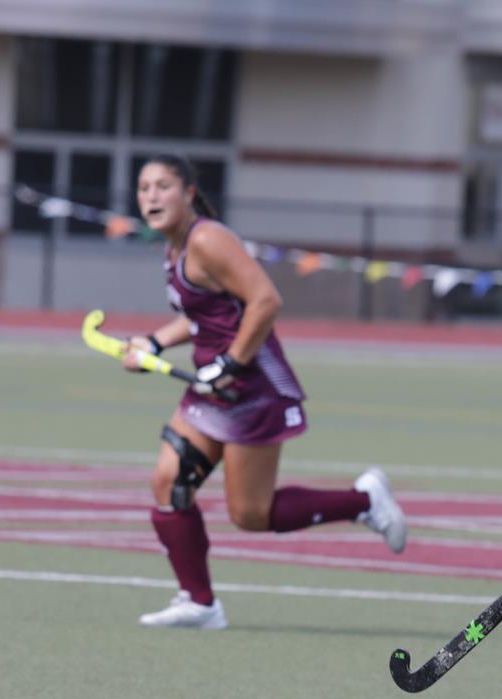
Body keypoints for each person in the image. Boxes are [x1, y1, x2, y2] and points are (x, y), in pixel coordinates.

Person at [122, 154, 406, 630]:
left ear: (188, 193)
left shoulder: (208, 239)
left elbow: (265, 300)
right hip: (213, 384)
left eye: (163, 186)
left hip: (252, 386)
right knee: (169, 483)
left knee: (251, 514)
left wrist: (231, 363)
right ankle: (199, 602)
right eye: (144, 187)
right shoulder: (173, 248)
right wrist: (154, 341)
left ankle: (366, 501)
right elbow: (204, 316)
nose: (151, 196)